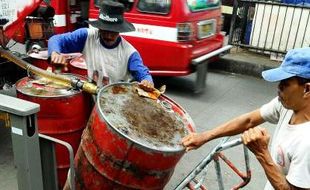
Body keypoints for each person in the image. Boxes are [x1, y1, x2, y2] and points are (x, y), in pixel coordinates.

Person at [182, 47, 310, 190]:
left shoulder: (306, 143)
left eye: (284, 84)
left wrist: (262, 154)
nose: (278, 87)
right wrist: (205, 136)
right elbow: (249, 120)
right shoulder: (286, 104)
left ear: (307, 89)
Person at [48, 0, 154, 91]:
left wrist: (147, 82)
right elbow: (56, 39)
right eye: (104, 30)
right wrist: (55, 52)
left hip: (116, 100)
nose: (108, 35)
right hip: (92, 95)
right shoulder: (87, 36)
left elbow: (143, 73)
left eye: (113, 32)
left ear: (120, 30)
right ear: (99, 28)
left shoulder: (129, 53)